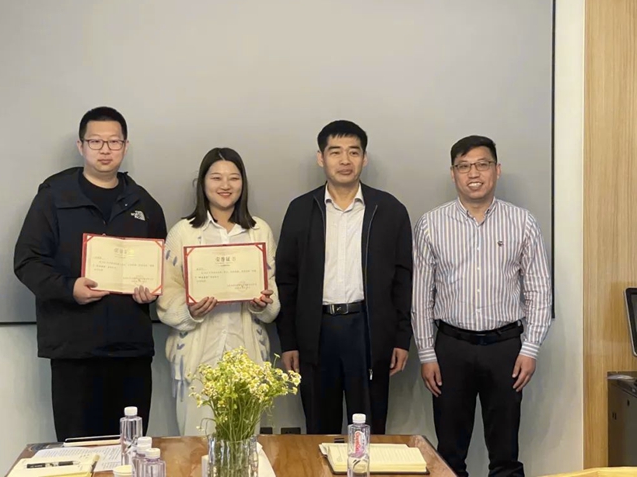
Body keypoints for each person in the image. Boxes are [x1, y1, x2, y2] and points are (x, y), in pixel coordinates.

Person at [14, 106, 167, 441]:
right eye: (96, 141)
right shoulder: (53, 199)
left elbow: (160, 269)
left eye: (114, 142)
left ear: (125, 146)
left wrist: (151, 292)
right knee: (78, 450)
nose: (105, 150)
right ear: (81, 146)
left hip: (131, 350)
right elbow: (27, 261)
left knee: (130, 449)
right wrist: (69, 288)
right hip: (75, 350)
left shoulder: (145, 204)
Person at [412, 135, 552, 477]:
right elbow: (421, 295)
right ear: (453, 173)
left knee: (505, 454)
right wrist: (427, 353)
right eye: (464, 166)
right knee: (449, 454)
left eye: (482, 164)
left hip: (506, 349)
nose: (473, 173)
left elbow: (539, 291)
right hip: (451, 348)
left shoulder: (522, 222)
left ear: (497, 170)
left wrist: (530, 348)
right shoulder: (431, 224)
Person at [275, 120, 413, 435]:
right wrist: (289, 342)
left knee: (368, 428)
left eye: (353, 152)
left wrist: (401, 338)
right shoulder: (301, 210)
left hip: (367, 330)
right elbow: (287, 281)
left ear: (364, 158)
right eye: (335, 152)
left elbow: (404, 281)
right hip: (316, 331)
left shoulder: (389, 210)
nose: (345, 160)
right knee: (319, 428)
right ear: (321, 158)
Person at [156, 147, 280, 436]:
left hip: (247, 356)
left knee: (244, 443)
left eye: (234, 178)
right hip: (197, 357)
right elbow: (166, 299)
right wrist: (189, 310)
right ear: (202, 183)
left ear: (243, 184)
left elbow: (273, 302)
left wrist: (262, 304)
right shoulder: (183, 232)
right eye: (216, 178)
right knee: (196, 444)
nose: (225, 185)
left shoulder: (259, 231)